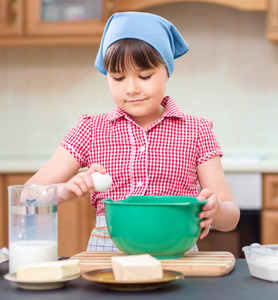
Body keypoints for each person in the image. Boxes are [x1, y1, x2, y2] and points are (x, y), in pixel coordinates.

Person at [26, 12, 240, 251]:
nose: (132, 89)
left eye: (145, 76)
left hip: (176, 257)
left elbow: (231, 217)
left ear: (167, 71)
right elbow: (26, 197)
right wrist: (64, 191)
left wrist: (217, 210)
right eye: (118, 78)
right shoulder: (90, 130)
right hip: (108, 262)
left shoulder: (196, 131)